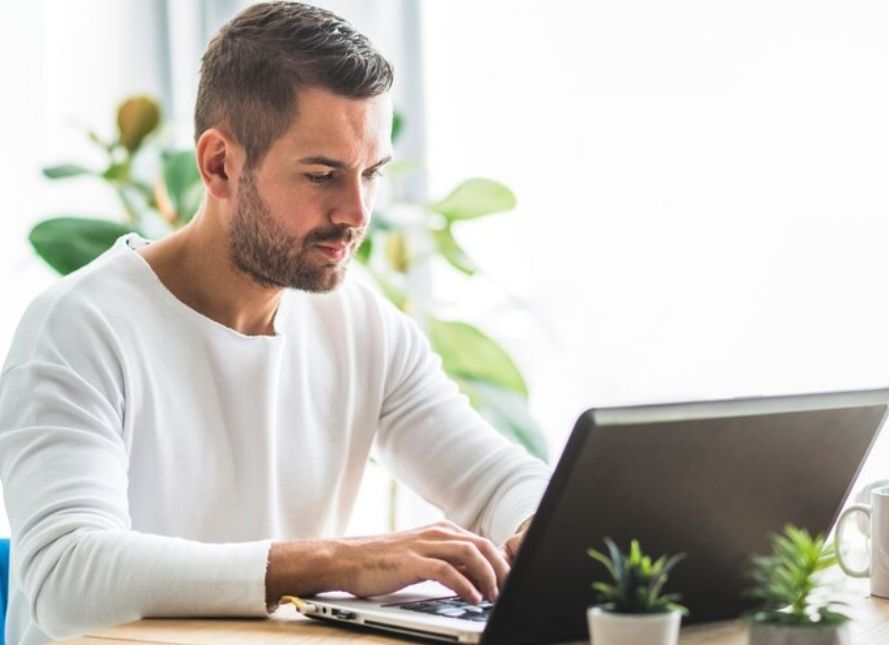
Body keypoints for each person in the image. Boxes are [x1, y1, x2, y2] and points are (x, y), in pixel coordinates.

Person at [0, 3, 550, 644]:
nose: (356, 212)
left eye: (372, 174)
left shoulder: (363, 325)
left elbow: (500, 482)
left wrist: (541, 526)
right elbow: (67, 580)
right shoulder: (78, 329)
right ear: (218, 165)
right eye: (323, 175)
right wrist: (335, 561)